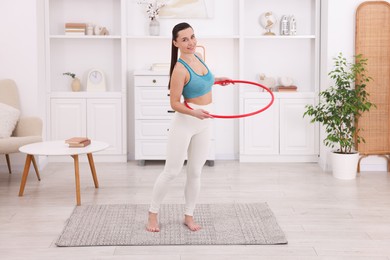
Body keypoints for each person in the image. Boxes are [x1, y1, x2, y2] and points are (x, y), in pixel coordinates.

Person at [146, 22, 231, 232]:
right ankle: (152, 214)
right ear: (175, 43)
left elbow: (204, 82)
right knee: (171, 172)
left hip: (204, 121)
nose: (190, 42)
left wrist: (219, 80)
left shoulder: (199, 57)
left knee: (195, 172)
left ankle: (189, 215)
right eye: (184, 39)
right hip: (186, 123)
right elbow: (174, 103)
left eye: (192, 37)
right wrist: (194, 112)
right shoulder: (179, 69)